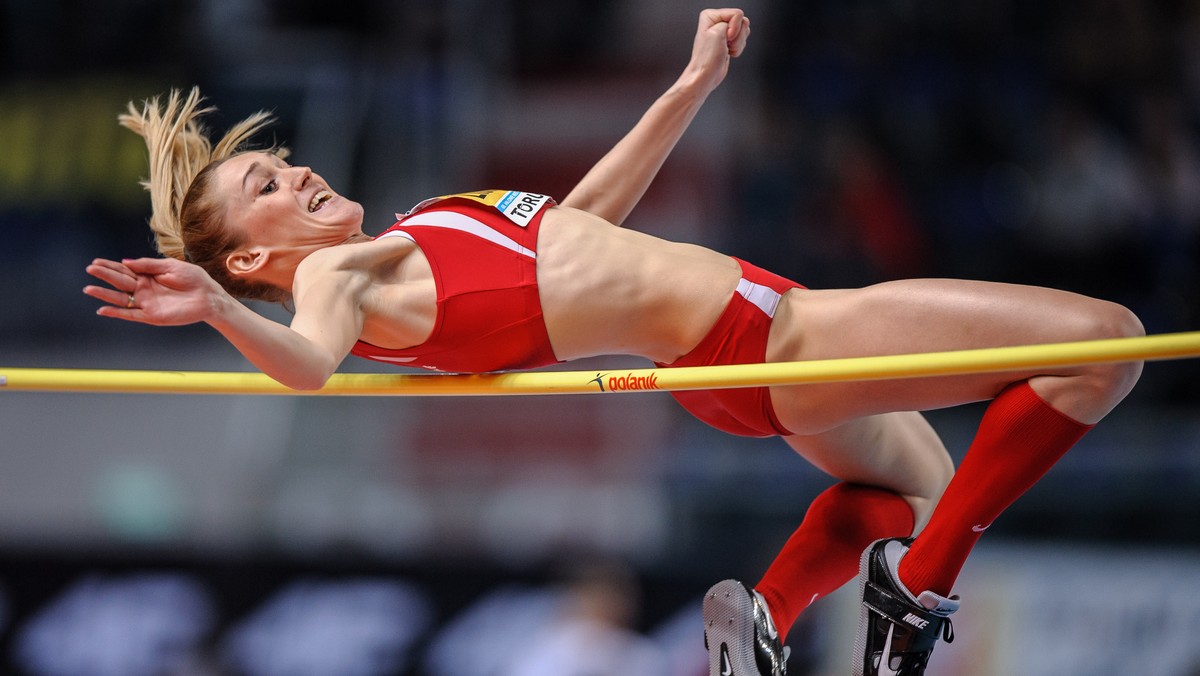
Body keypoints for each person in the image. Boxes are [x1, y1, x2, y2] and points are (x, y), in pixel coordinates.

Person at [83, 8, 1144, 676]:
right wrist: (223, 313)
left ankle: (768, 618)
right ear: (257, 262)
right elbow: (311, 364)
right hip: (768, 336)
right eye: (264, 189)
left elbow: (580, 216)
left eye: (276, 161)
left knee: (923, 494)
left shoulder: (409, 234)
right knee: (1110, 343)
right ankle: (916, 599)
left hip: (718, 361)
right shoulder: (332, 274)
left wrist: (688, 88)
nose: (295, 173)